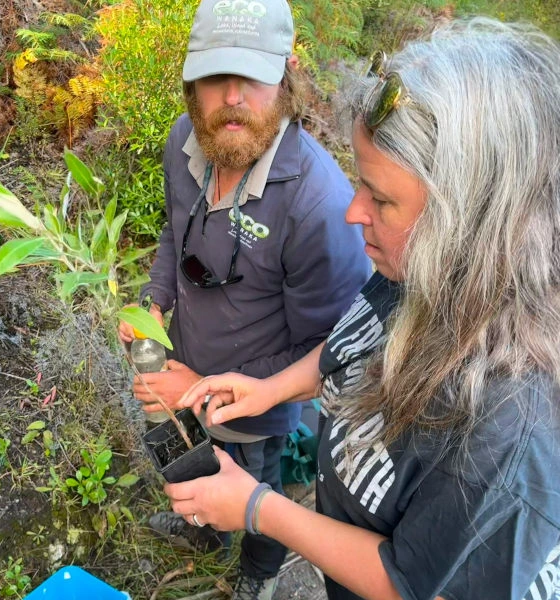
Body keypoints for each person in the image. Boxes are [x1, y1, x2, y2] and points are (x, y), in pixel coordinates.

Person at [164, 17, 560, 600]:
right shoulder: (415, 274)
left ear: (473, 223)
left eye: (381, 199)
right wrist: (269, 389)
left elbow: (408, 580)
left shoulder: (506, 428)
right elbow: (352, 340)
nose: (353, 213)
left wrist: (257, 508)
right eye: (360, 184)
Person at [117, 0, 369, 597]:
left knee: (263, 491)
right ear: (191, 85)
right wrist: (152, 303)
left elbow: (328, 351)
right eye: (214, 78)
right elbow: (173, 235)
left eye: (251, 77)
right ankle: (207, 532)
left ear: (283, 78)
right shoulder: (185, 143)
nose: (232, 97)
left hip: (261, 407)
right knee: (195, 458)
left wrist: (199, 385)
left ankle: (257, 576)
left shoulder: (319, 206)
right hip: (183, 371)